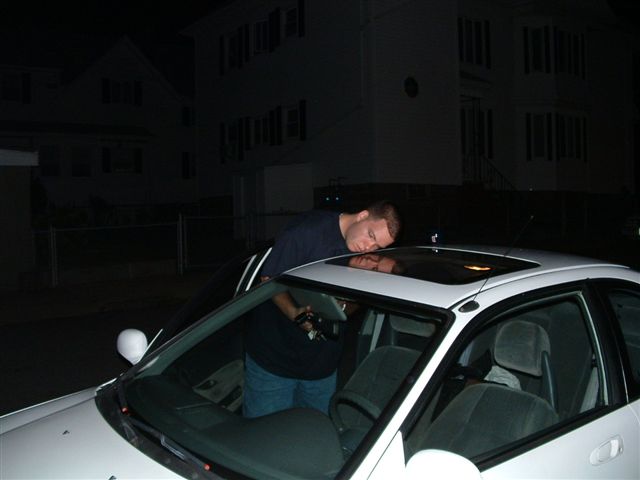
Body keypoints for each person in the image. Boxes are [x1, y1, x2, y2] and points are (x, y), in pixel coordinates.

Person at [243, 200, 402, 418]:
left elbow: (354, 302)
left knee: (313, 433)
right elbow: (269, 280)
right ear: (362, 215)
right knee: (265, 432)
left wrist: (342, 307)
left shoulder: (364, 258)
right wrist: (295, 314)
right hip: (275, 360)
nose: (368, 248)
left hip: (322, 368)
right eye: (370, 235)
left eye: (377, 247)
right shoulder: (307, 232)